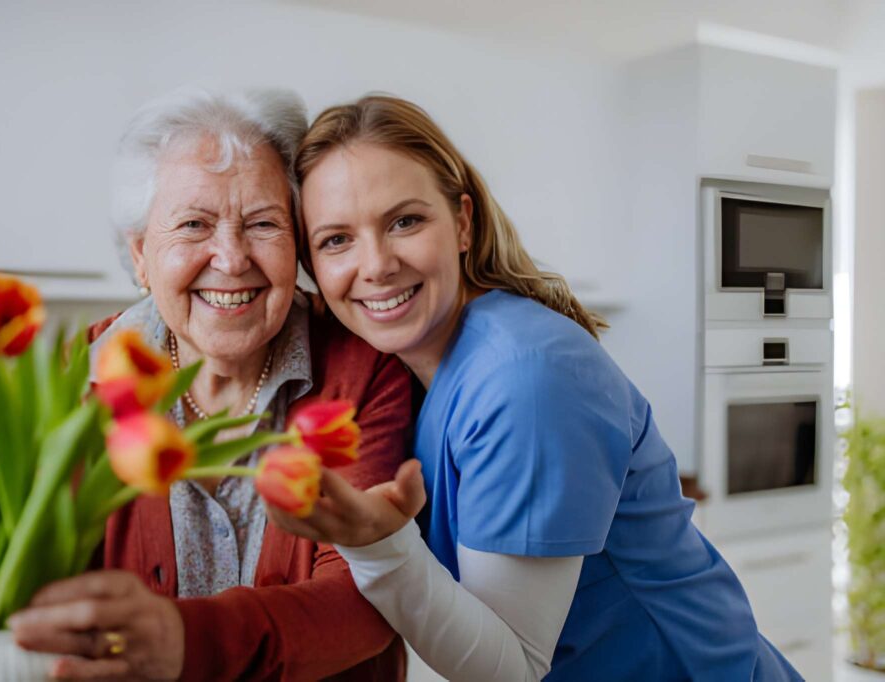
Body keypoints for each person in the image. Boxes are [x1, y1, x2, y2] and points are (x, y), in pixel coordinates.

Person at [0, 88, 411, 681]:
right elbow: (15, 563)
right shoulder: (76, 378)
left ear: (296, 246)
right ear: (142, 255)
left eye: (262, 224)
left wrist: (185, 640)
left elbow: (370, 598)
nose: (230, 257)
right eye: (194, 225)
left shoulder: (364, 371)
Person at [268, 95, 803, 681]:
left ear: (463, 223)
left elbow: (513, 668)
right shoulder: (413, 369)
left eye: (405, 221)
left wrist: (377, 546)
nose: (375, 265)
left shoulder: (524, 379)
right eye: (336, 240)